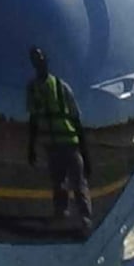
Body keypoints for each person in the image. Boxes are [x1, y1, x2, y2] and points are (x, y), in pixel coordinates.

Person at [24, 46, 92, 232]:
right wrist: (31, 147)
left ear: (46, 60)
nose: (38, 61)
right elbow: (34, 119)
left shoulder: (62, 87)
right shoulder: (32, 89)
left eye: (40, 57)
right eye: (34, 59)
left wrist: (85, 153)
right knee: (58, 183)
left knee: (78, 184)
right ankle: (61, 214)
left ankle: (85, 220)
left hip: (70, 144)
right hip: (51, 146)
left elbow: (76, 119)